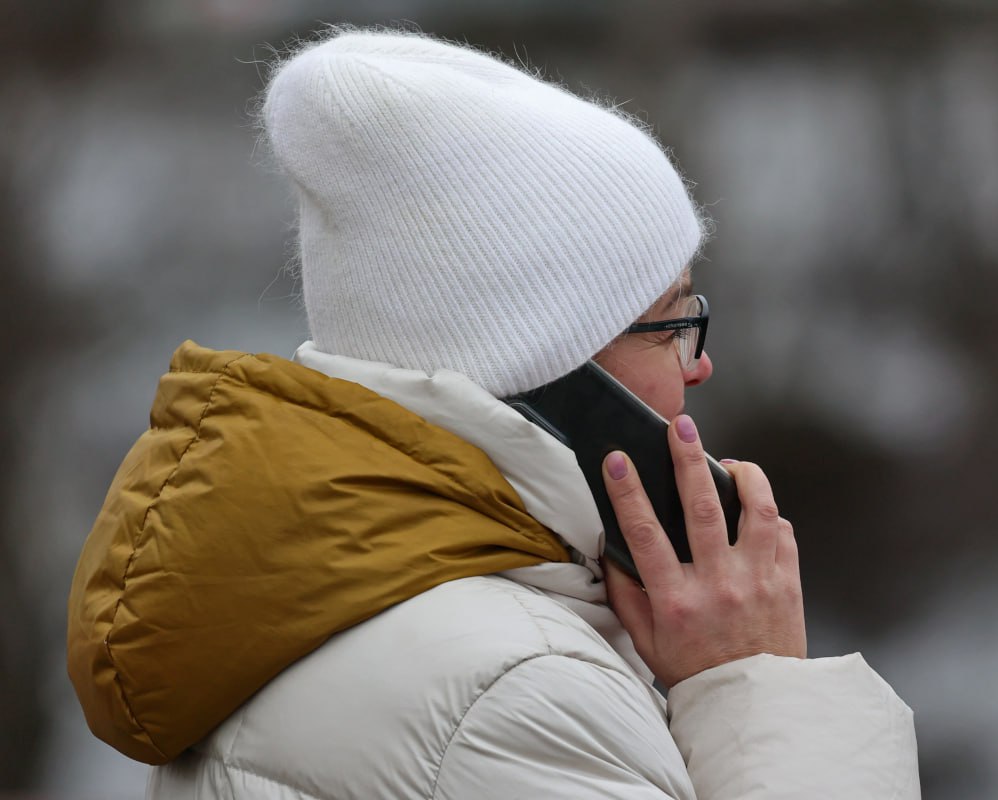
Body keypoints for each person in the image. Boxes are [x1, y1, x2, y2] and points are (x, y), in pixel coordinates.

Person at [66, 28, 920, 799]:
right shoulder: (513, 695)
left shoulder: (331, 597)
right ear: (549, 364)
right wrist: (755, 684)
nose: (699, 365)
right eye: (671, 323)